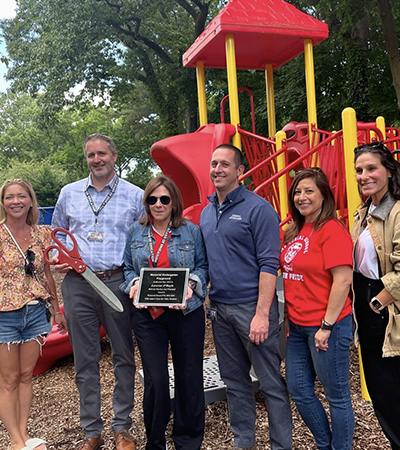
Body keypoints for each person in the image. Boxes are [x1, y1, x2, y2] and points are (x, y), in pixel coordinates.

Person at [52, 134, 144, 450]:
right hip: (78, 285)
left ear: (114, 156)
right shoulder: (69, 193)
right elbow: (57, 236)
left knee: (123, 355)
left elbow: (146, 241)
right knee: (85, 359)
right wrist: (58, 257)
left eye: (102, 153)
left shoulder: (136, 196)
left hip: (118, 282)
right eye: (91, 155)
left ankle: (122, 428)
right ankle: (92, 430)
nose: (96, 160)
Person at [199, 144, 292, 450]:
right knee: (235, 382)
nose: (218, 169)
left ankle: (281, 445)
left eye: (225, 164)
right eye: (214, 163)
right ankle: (244, 442)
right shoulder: (205, 212)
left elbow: (269, 264)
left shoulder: (259, 209)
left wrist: (262, 314)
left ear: (240, 171)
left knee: (270, 383)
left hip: (252, 308)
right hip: (220, 310)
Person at [120, 176, 208, 450]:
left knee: (189, 374)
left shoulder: (191, 232)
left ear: (174, 203)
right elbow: (127, 269)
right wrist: (134, 284)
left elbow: (203, 267)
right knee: (156, 379)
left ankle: (187, 439)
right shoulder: (136, 231)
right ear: (146, 202)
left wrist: (191, 285)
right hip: (149, 317)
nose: (158, 204)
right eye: (152, 199)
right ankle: (155, 441)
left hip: (186, 313)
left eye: (164, 199)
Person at [280, 168, 354, 450]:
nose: (302, 197)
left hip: (327, 327)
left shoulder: (331, 230)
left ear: (324, 194)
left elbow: (343, 279)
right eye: (297, 192)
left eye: (309, 191)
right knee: (299, 390)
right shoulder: (294, 230)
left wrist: (326, 326)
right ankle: (325, 444)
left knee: (336, 395)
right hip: (297, 327)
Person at [0, 178, 67, 450]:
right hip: (5, 314)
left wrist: (55, 308)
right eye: (9, 197)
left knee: (27, 376)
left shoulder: (41, 233)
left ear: (30, 201)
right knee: (8, 379)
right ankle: (15, 440)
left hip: (36, 312)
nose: (16, 201)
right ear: (3, 202)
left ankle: (24, 433)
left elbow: (46, 274)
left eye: (21, 196)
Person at [352, 142, 400, 450]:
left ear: (389, 170)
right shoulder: (365, 210)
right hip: (365, 300)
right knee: (382, 390)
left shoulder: (395, 210)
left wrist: (376, 301)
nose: (364, 175)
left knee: (390, 389)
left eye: (372, 168)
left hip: (383, 305)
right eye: (359, 170)